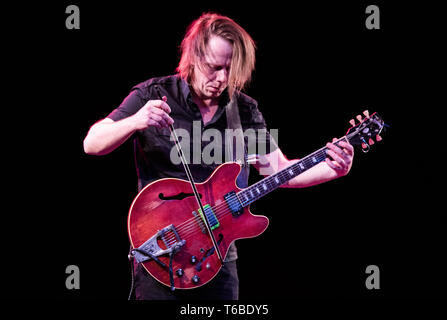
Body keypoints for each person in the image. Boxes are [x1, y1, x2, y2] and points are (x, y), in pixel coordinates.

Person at [83, 13, 354, 300]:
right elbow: (92, 143)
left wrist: (334, 169)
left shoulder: (245, 109)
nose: (222, 78)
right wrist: (135, 120)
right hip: (161, 254)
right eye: (214, 67)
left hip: (217, 258)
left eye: (229, 68)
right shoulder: (154, 93)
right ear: (194, 57)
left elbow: (279, 170)